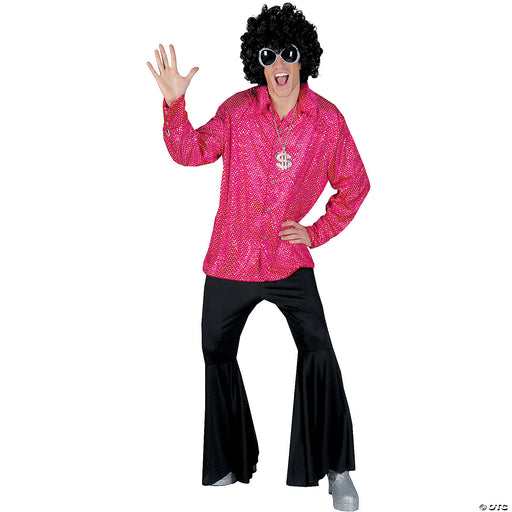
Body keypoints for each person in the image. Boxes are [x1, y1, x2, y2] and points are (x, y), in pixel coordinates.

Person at [147, 4, 370, 511]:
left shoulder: (327, 122)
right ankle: (229, 460)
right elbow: (191, 151)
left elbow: (355, 185)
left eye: (288, 53)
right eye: (268, 56)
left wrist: (315, 233)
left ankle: (336, 469)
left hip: (288, 260)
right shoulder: (238, 111)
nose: (279, 65)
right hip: (231, 255)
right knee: (215, 349)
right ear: (258, 62)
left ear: (304, 57)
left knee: (318, 348)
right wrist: (175, 105)